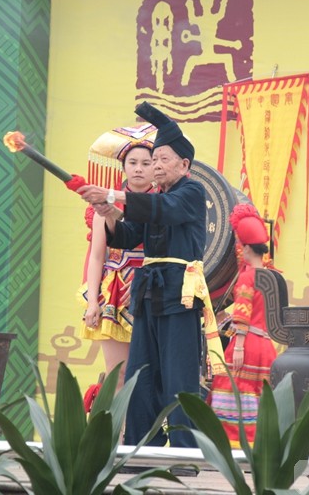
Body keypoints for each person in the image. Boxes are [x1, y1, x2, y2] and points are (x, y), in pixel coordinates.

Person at [78, 101, 206, 448]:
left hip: (179, 294)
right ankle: (140, 446)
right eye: (155, 159)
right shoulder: (155, 199)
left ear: (184, 165)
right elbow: (125, 236)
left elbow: (164, 209)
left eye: (162, 159)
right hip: (148, 294)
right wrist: (108, 211)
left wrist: (113, 194)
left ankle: (184, 452)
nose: (156, 165)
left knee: (178, 374)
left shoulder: (191, 192)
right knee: (140, 373)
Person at [78, 125, 157, 387]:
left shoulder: (163, 204)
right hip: (115, 291)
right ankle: (117, 417)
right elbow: (97, 256)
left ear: (155, 168)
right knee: (118, 373)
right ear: (123, 167)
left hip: (151, 288)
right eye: (132, 163)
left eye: (146, 163)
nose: (138, 169)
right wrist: (93, 301)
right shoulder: (106, 205)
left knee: (149, 374)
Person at [208, 204, 277, 447]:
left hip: (246, 345)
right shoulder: (272, 275)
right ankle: (260, 444)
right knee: (260, 396)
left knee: (235, 391)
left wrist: (237, 346)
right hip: (267, 347)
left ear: (246, 247)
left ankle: (235, 446)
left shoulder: (247, 277)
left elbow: (242, 314)